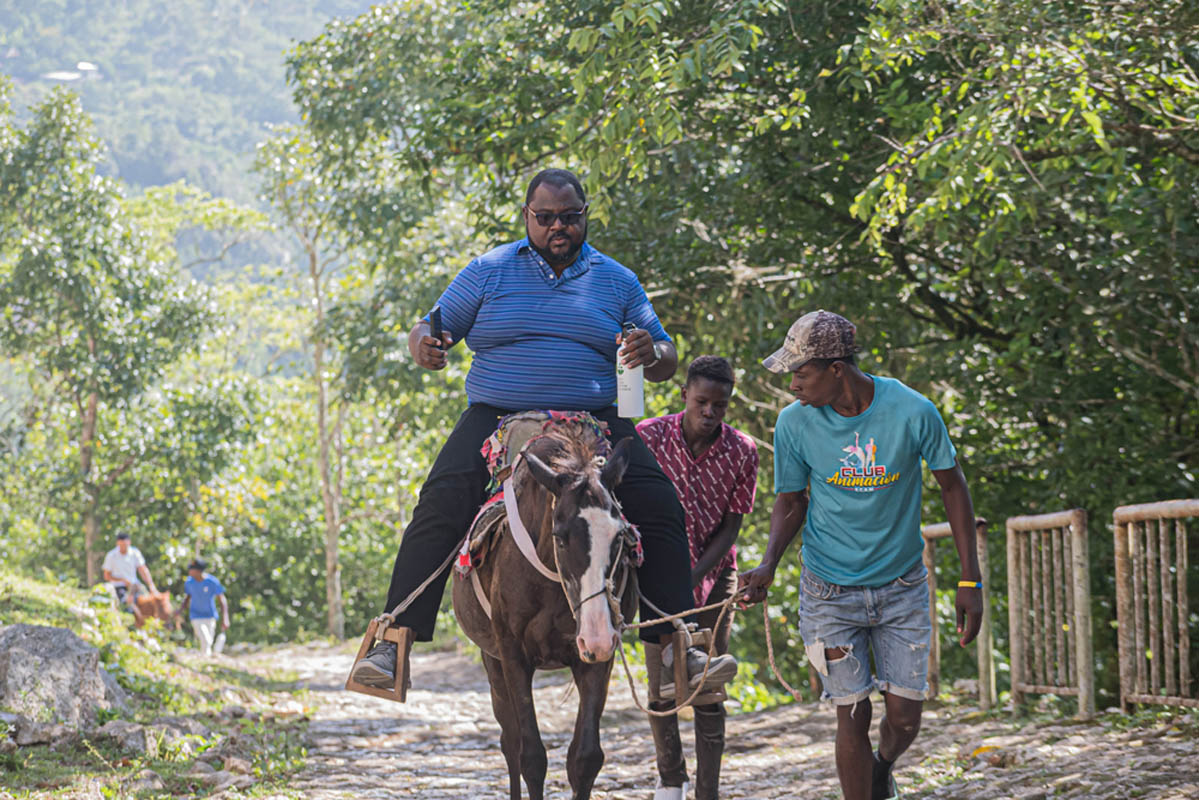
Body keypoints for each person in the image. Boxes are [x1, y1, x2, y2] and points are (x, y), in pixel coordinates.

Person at [350, 168, 737, 692]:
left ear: (585, 216)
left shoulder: (616, 280)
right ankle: (391, 643)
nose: (558, 226)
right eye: (546, 217)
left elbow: (665, 358)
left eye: (570, 217)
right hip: (496, 415)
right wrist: (423, 343)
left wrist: (654, 351)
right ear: (526, 217)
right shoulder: (488, 270)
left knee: (662, 505)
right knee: (439, 502)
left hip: (594, 417)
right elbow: (431, 324)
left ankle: (676, 650)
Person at [739, 310, 983, 800]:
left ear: (836, 369)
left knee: (905, 718)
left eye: (801, 372)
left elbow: (953, 487)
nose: (792, 384)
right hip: (828, 590)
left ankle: (881, 768)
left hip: (901, 586)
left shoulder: (912, 410)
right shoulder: (794, 422)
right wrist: (769, 563)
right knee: (851, 711)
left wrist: (969, 580)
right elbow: (791, 501)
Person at [636, 355, 758, 800]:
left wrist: (692, 578)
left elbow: (731, 527)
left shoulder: (742, 450)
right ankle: (671, 780)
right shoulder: (648, 437)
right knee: (662, 685)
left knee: (708, 683)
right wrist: (666, 581)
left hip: (714, 574)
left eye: (719, 405)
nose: (709, 412)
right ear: (684, 394)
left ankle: (708, 790)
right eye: (701, 402)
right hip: (654, 577)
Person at [175, 559, 230, 656]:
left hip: (210, 616)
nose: (189, 571)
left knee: (208, 641)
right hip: (196, 616)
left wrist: (225, 618)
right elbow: (187, 598)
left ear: (198, 571)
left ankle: (206, 658)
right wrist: (180, 610)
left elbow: (222, 599)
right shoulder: (189, 582)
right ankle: (207, 658)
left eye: (191, 569)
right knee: (206, 639)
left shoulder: (212, 582)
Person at [102, 532, 159, 618]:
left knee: (150, 603)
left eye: (125, 545)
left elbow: (143, 570)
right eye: (121, 545)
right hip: (119, 587)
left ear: (129, 542)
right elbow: (106, 576)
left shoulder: (135, 553)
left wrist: (151, 585)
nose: (123, 547)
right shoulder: (111, 555)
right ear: (117, 544)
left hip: (135, 585)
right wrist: (122, 580)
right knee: (127, 607)